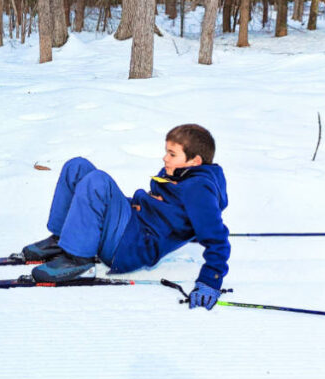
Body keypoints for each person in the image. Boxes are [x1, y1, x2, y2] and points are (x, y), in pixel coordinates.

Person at [22, 124, 230, 309]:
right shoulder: (181, 174)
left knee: (98, 181)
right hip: (132, 226)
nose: (165, 158)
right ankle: (63, 238)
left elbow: (217, 239)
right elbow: (172, 212)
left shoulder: (199, 189)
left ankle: (78, 259)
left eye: (172, 154)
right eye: (166, 152)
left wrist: (210, 280)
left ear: (195, 161)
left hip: (130, 247)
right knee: (77, 166)